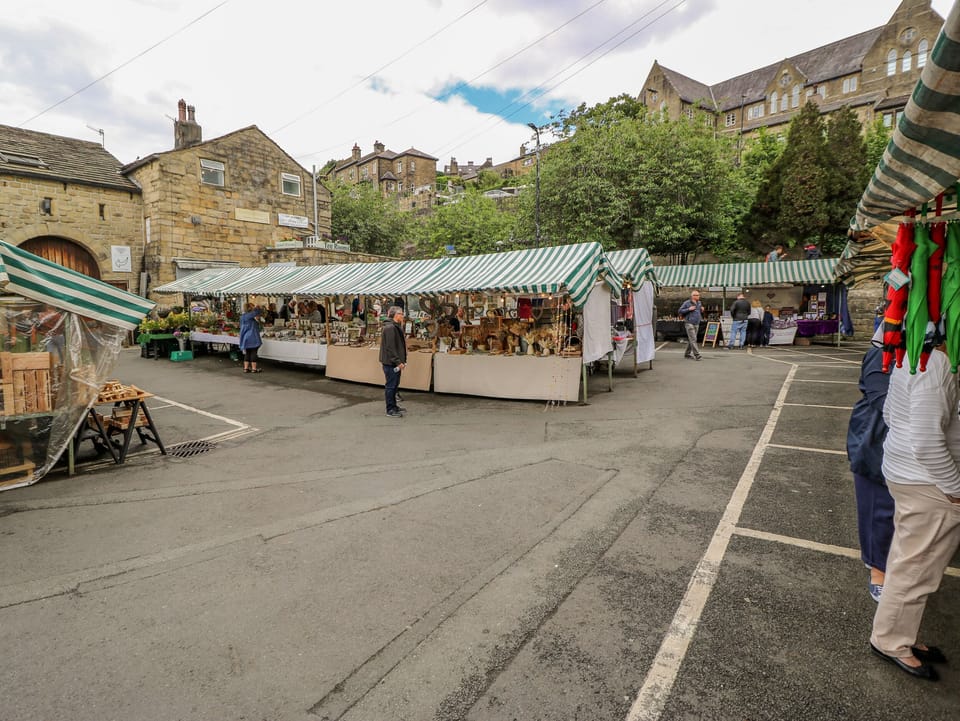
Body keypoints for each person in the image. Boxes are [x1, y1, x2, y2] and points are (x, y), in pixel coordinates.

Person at [869, 337, 960, 680]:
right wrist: (955, 489)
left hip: (908, 475)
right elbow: (925, 440)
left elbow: (892, 414)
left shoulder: (914, 356)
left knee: (909, 562)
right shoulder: (936, 367)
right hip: (928, 483)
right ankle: (891, 640)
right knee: (917, 569)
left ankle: (896, 634)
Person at [846, 327, 894, 603]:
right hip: (875, 439)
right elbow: (882, 401)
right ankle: (878, 570)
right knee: (880, 508)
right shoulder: (881, 353)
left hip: (895, 439)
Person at [379, 305, 407, 418]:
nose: (403, 316)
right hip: (391, 363)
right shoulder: (390, 328)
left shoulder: (394, 326)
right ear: (396, 315)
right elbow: (390, 348)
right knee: (391, 386)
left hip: (394, 362)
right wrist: (398, 361)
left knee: (394, 385)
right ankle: (390, 409)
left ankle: (394, 406)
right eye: (401, 314)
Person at [678, 290, 703, 361]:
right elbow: (680, 310)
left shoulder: (699, 303)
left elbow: (698, 311)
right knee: (693, 339)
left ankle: (687, 354)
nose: (699, 296)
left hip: (697, 323)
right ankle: (697, 355)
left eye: (699, 295)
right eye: (697, 295)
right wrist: (689, 309)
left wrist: (701, 310)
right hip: (689, 323)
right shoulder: (687, 303)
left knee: (691, 339)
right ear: (693, 296)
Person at [239, 303, 263, 373]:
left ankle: (246, 368)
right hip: (252, 336)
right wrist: (257, 307)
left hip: (245, 336)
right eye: (252, 306)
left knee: (248, 352)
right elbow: (257, 312)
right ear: (249, 308)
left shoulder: (242, 316)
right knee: (253, 352)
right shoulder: (249, 315)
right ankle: (254, 369)